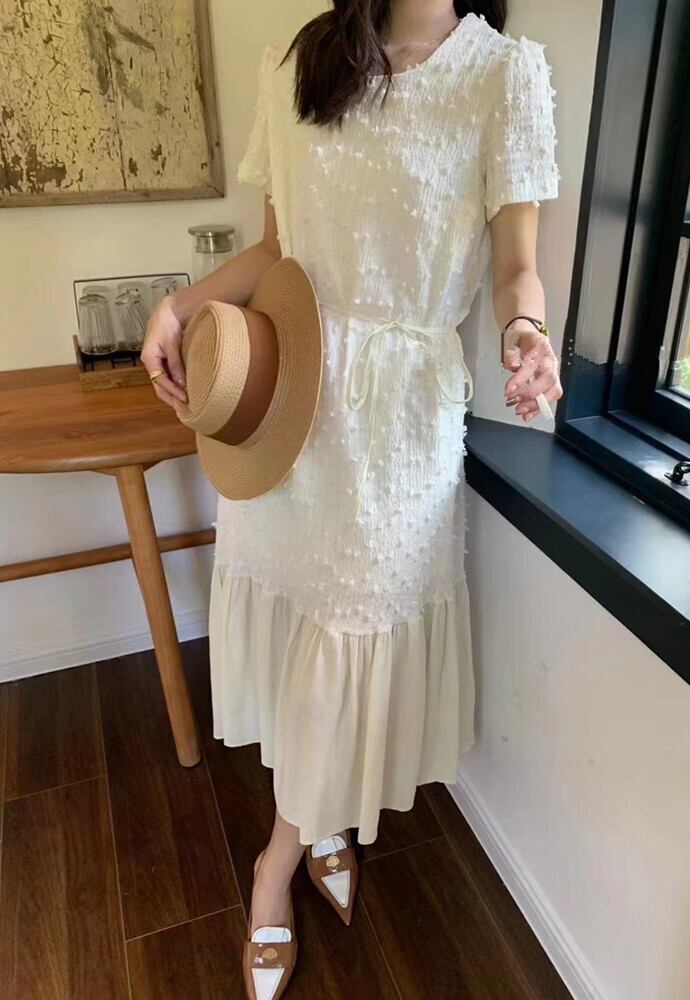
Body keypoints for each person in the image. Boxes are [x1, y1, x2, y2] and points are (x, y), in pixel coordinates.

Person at [141, 2, 562, 997]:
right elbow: (277, 254)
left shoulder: (504, 75)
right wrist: (182, 302)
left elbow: (516, 266)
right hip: (290, 398)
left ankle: (274, 862)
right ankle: (316, 820)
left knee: (352, 633)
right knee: (303, 628)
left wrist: (528, 335)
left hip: (400, 426)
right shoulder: (306, 58)